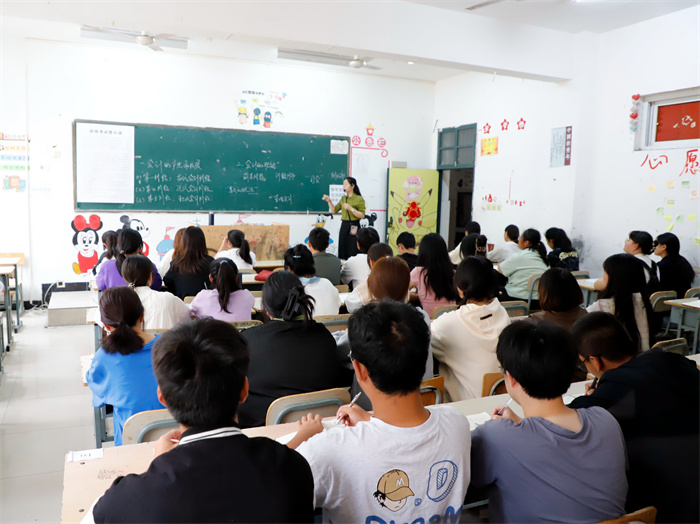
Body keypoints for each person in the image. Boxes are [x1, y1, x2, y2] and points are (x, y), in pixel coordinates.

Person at [84, 318, 314, 523]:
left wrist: (156, 469)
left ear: (162, 397)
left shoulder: (128, 500)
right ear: (244, 390)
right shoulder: (295, 468)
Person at [289, 301, 472, 524]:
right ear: (424, 358)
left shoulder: (327, 451)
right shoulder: (458, 424)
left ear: (359, 370)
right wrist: (371, 420)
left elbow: (260, 484)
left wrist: (303, 437)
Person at [470, 321, 628, 523]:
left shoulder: (496, 436)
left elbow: (468, 480)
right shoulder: (605, 420)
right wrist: (518, 424)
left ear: (511, 378)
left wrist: (509, 428)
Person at [570, 312, 699, 523]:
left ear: (595, 361)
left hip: (670, 501)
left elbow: (564, 418)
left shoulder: (614, 390)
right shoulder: (668, 358)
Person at [237, 272, 351, 428]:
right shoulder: (324, 337)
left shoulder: (248, 342)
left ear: (267, 310)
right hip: (323, 429)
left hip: (264, 435)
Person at [342, 256, 433, 411]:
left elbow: (341, 351)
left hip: (372, 408)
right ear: (407, 289)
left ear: (370, 288)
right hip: (422, 399)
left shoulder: (365, 323)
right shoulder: (421, 317)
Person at [85, 287, 163, 446]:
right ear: (142, 316)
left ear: (105, 326)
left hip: (131, 445)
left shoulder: (104, 357)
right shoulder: (172, 345)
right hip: (176, 441)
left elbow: (99, 394)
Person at [430, 257, 510, 401]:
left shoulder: (448, 324)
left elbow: (423, 342)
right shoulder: (503, 314)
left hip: (466, 408)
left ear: (460, 289)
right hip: (503, 404)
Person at [587, 253, 653, 351]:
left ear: (615, 277)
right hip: (643, 357)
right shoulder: (643, 301)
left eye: (605, 272)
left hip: (614, 360)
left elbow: (579, 324)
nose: (603, 276)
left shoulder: (603, 305)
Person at [121, 255, 191, 330]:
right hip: (165, 341)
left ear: (124, 278)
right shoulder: (167, 298)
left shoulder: (118, 303)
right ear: (151, 277)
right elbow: (187, 316)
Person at [189, 258, 255, 321]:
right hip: (240, 333)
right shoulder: (247, 296)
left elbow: (189, 312)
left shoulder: (202, 297)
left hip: (211, 332)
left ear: (210, 278)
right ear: (236, 277)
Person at [96, 228, 162, 291]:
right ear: (139, 248)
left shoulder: (106, 265)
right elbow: (157, 286)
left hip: (115, 302)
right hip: (142, 302)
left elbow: (100, 285)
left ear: (118, 246)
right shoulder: (149, 265)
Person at [410, 233, 459, 317]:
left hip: (430, 322)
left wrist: (418, 295)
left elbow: (402, 292)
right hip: (451, 319)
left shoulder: (418, 272)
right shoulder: (453, 273)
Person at [284, 244, 340, 316]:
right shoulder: (327, 283)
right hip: (334, 326)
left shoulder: (292, 290)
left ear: (289, 269)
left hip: (308, 326)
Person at [498, 228, 548, 307]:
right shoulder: (544, 259)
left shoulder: (520, 256)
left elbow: (500, 269)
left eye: (520, 238)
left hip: (519, 298)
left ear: (526, 242)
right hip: (539, 301)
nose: (518, 240)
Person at [163, 226, 214, 300]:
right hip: (205, 306)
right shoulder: (210, 262)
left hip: (182, 306)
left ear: (184, 242)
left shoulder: (177, 262)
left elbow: (167, 281)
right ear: (202, 242)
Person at [322, 176, 366, 260]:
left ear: (352, 186)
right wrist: (329, 201)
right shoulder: (343, 198)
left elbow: (362, 215)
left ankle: (353, 262)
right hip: (344, 224)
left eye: (346, 184)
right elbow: (334, 211)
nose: (344, 186)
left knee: (352, 246)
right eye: (343, 184)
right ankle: (343, 263)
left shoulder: (359, 199)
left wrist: (351, 209)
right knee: (342, 245)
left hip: (354, 225)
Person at [345, 242, 393, 313]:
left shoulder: (368, 286)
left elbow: (350, 305)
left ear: (371, 263)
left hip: (373, 322)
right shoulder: (400, 283)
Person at [654, 232, 695, 298]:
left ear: (664, 247)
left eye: (656, 244)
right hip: (683, 302)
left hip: (669, 303)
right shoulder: (682, 260)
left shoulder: (662, 265)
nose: (654, 247)